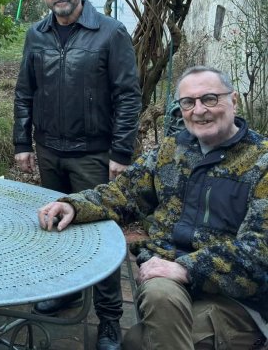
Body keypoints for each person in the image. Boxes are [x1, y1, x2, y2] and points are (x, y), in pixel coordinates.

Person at [38, 66, 268, 350]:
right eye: (188, 102)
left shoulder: (261, 162)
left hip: (239, 300)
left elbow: (260, 251)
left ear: (233, 100)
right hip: (175, 284)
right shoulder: (174, 148)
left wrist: (186, 268)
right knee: (137, 337)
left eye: (210, 99)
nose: (199, 110)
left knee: (152, 307)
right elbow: (125, 192)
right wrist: (75, 205)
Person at [14, 0, 141, 350]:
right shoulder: (36, 35)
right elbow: (24, 92)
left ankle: (109, 319)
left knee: (99, 236)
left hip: (93, 154)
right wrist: (22, 143)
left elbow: (128, 96)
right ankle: (65, 292)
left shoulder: (111, 33)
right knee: (54, 225)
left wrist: (121, 152)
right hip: (49, 150)